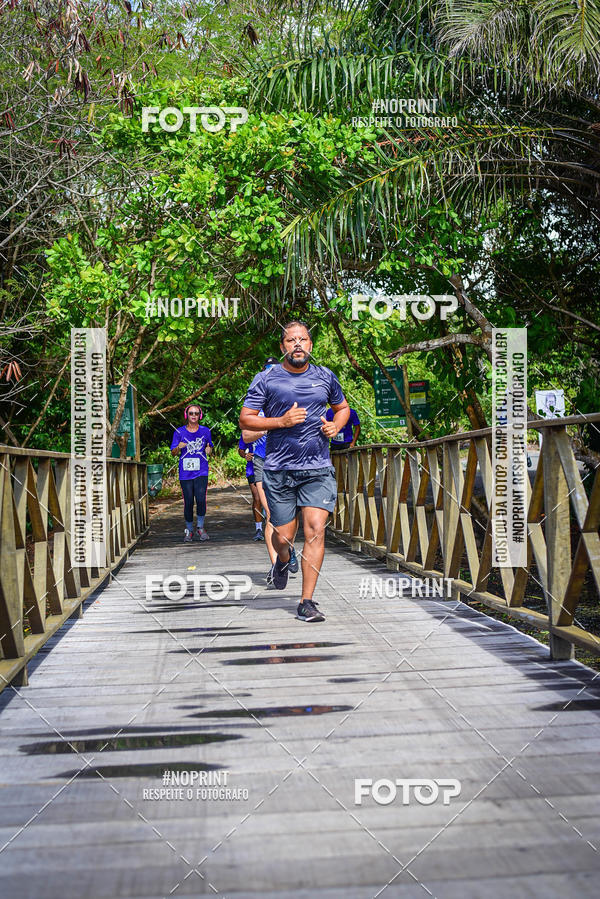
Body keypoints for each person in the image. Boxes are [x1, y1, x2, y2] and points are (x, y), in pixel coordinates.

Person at [239, 321, 350, 622]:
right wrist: (281, 422)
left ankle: (307, 601)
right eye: (291, 340)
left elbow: (343, 408)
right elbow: (246, 421)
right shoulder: (267, 379)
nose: (297, 344)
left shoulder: (326, 377)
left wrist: (336, 426)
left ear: (311, 345)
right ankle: (282, 561)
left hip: (317, 468)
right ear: (282, 347)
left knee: (315, 530)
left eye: (303, 339)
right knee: (284, 539)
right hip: (279, 470)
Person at [242, 358, 299, 578]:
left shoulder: (291, 401)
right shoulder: (255, 406)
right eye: (266, 371)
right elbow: (247, 435)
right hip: (262, 462)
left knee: (289, 516)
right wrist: (272, 426)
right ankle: (276, 566)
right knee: (271, 515)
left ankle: (288, 549)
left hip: (287, 462)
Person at [170, 404, 213, 543]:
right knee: (188, 501)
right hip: (185, 473)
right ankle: (189, 530)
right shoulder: (179, 432)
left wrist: (209, 451)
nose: (193, 415)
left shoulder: (205, 431)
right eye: (191, 413)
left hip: (201, 471)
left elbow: (209, 446)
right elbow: (173, 453)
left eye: (196, 413)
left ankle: (200, 527)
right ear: (186, 415)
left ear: (199, 415)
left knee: (201, 499)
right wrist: (178, 447)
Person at [238, 435, 264, 540]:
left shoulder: (272, 425)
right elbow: (240, 450)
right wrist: (245, 455)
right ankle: (259, 529)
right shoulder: (249, 430)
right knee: (257, 498)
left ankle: (274, 527)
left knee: (271, 498)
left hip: (271, 466)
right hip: (252, 468)